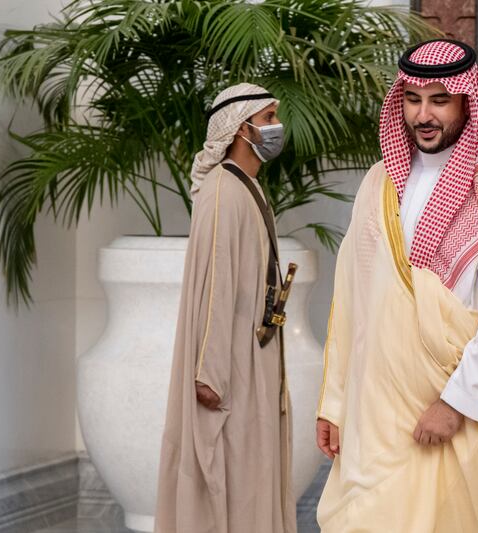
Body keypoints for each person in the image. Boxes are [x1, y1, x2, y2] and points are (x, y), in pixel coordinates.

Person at [314, 39, 478, 533]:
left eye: (439, 99)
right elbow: (351, 298)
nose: (424, 114)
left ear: (467, 101)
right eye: (413, 99)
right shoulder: (379, 181)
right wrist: (334, 403)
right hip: (375, 414)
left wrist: (456, 402)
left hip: (457, 411)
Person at [154, 83, 296, 533]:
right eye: (269, 117)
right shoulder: (221, 191)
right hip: (230, 365)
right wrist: (211, 372)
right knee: (232, 476)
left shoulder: (245, 186)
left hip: (253, 356)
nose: (276, 128)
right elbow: (215, 285)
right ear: (241, 128)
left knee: (252, 472)